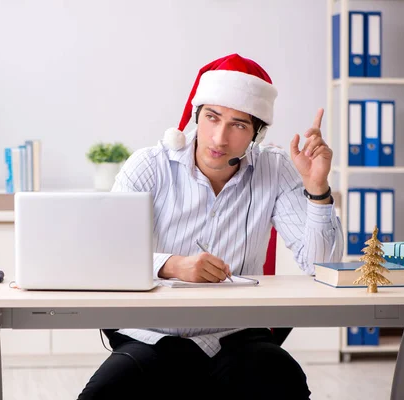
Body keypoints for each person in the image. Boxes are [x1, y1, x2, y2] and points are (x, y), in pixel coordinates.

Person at [77, 53, 344, 399]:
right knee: (104, 393)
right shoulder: (150, 166)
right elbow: (103, 255)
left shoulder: (275, 170)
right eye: (212, 118)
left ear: (256, 135)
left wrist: (317, 189)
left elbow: (322, 266)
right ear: (195, 116)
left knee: (284, 380)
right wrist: (173, 265)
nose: (219, 139)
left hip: (237, 335)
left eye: (238, 125)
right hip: (151, 334)